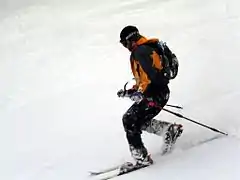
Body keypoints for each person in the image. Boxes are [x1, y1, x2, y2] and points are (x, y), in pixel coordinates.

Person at [117, 25, 183, 167]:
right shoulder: (144, 49)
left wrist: (141, 93)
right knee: (138, 120)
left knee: (129, 120)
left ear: (131, 40)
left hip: (155, 94)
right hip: (159, 93)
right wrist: (132, 91)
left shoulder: (140, 52)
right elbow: (145, 79)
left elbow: (153, 78)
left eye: (124, 43)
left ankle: (141, 158)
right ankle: (170, 130)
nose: (124, 46)